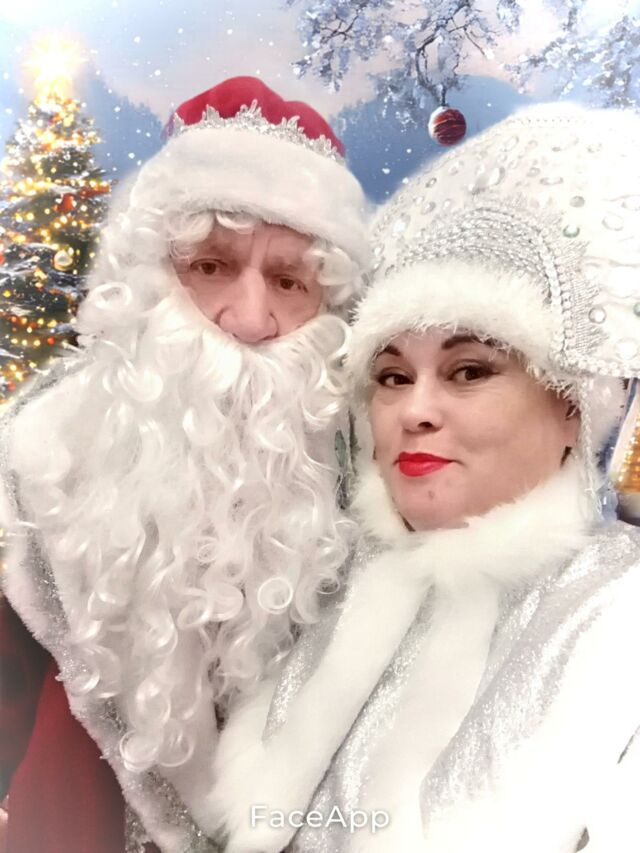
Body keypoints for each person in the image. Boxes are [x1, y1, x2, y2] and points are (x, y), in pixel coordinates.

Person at [209, 103, 640, 853]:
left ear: (573, 407)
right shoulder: (333, 601)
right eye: (391, 377)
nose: (415, 411)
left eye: (469, 371)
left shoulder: (616, 621)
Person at [0, 76, 370, 853]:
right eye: (210, 265)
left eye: (288, 280)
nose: (250, 319)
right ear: (147, 278)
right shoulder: (38, 465)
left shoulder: (368, 474)